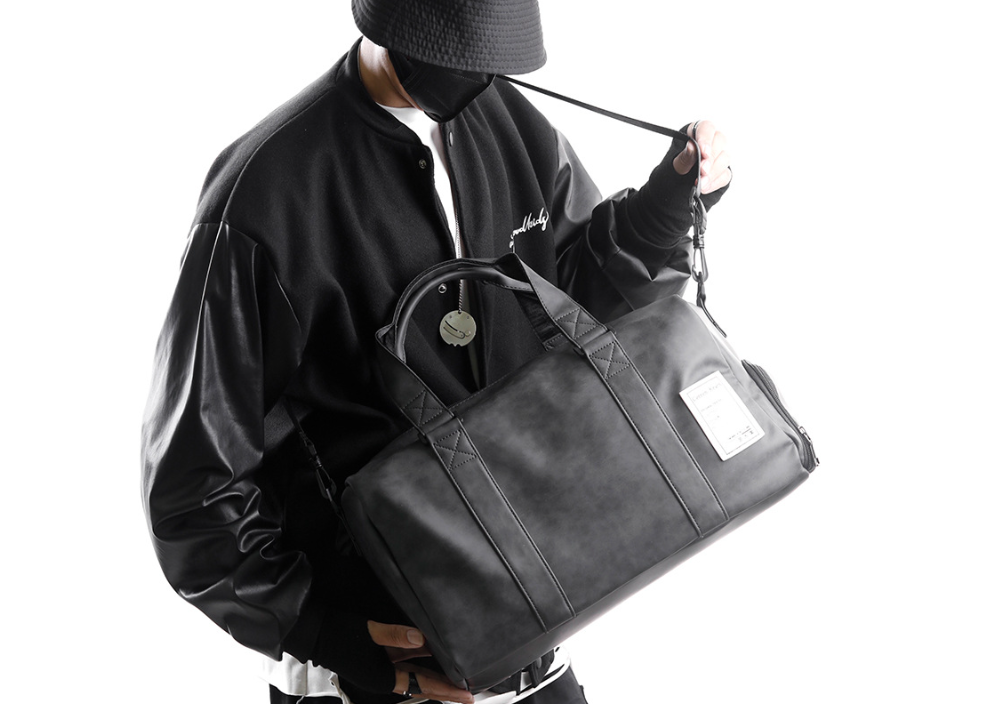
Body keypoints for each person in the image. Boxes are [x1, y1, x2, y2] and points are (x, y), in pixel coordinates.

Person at [140, 1, 732, 703]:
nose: (481, 73)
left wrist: (661, 210)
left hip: (534, 629)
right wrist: (325, 629)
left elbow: (573, 314)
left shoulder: (513, 126)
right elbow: (193, 483)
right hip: (374, 665)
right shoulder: (264, 195)